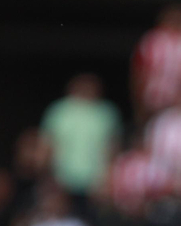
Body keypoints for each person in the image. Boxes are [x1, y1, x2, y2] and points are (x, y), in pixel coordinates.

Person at [41, 74, 122, 207]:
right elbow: (48, 146)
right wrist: (49, 179)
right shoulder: (58, 110)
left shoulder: (107, 112)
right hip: (62, 180)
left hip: (96, 183)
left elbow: (113, 149)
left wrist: (108, 181)